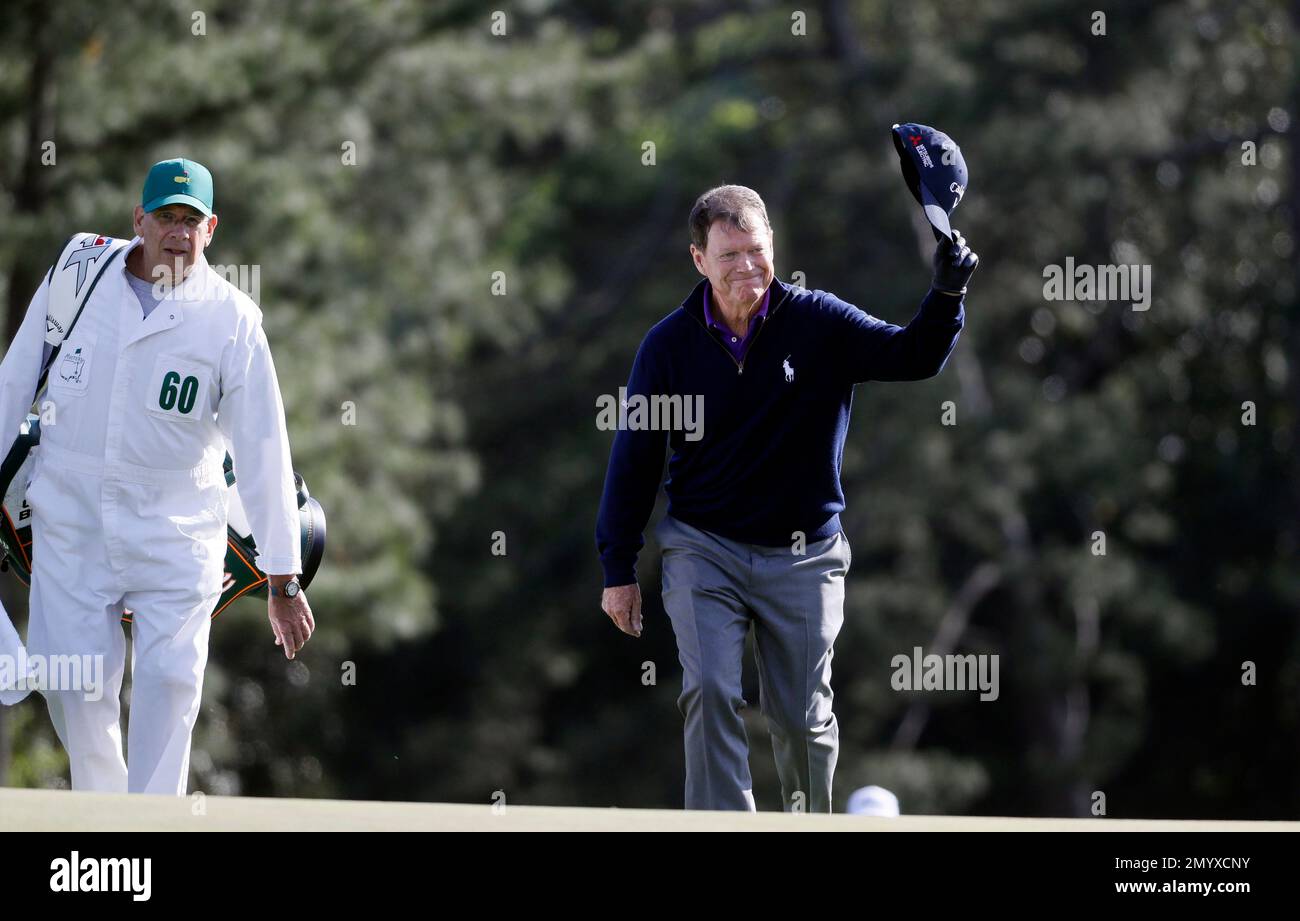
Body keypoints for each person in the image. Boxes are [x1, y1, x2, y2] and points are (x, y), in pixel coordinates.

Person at [596, 184, 977, 811]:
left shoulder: (818, 321)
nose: (747, 266)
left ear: (773, 244)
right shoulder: (668, 346)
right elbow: (634, 460)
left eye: (757, 249)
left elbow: (914, 355)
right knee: (711, 690)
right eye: (728, 255)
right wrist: (618, 568)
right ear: (699, 260)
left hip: (806, 555)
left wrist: (947, 294)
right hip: (703, 547)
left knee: (801, 718)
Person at [0, 157, 313, 794]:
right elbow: (14, 380)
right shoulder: (78, 270)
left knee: (170, 691)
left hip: (176, 531)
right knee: (78, 699)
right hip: (72, 522)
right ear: (138, 220)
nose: (177, 232)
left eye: (190, 221)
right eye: (165, 217)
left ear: (211, 229)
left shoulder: (232, 320)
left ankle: (149, 834)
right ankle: (111, 835)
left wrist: (283, 576)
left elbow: (263, 449)